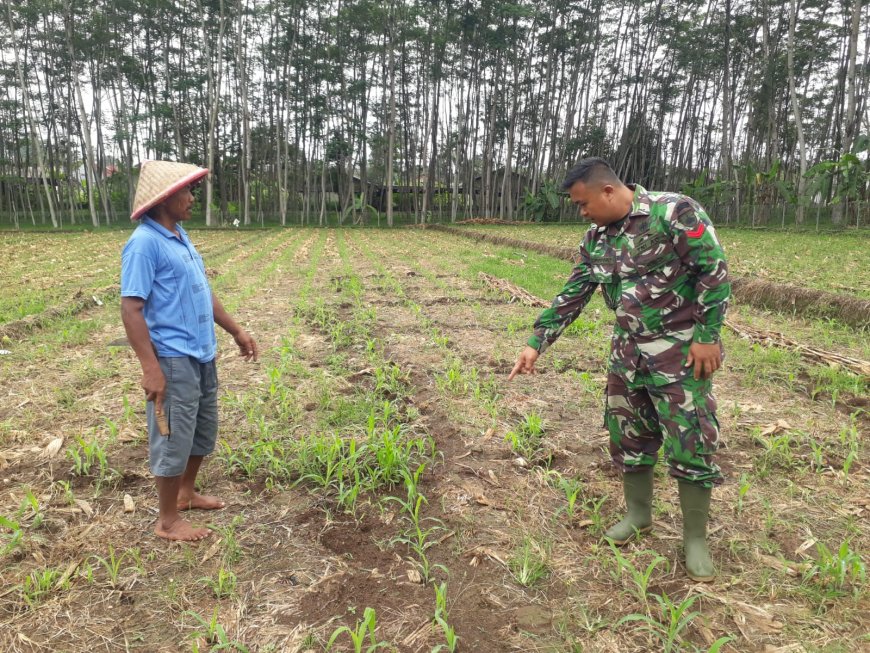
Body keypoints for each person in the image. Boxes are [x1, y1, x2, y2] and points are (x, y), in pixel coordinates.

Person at [509, 157, 730, 581]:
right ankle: (638, 516)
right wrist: (537, 341)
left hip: (681, 352)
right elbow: (575, 291)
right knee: (629, 435)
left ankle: (695, 539)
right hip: (627, 354)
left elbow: (713, 273)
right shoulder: (595, 238)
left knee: (689, 440)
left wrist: (708, 334)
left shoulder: (674, 212)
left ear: (608, 191)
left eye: (583, 202)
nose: (582, 212)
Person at [121, 160, 258, 542]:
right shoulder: (144, 244)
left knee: (201, 429)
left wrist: (235, 330)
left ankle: (185, 494)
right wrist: (151, 368)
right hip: (172, 356)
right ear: (165, 199)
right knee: (172, 436)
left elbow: (203, 290)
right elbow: (131, 308)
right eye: (186, 191)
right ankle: (166, 521)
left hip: (201, 353)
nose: (192, 198)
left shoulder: (178, 235)